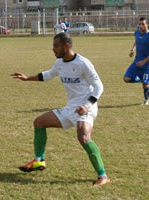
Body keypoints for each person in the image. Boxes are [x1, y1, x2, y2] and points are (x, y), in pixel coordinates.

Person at [11, 32, 111, 186]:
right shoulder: (59, 63)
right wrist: (27, 78)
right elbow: (48, 75)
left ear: (67, 46)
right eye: (53, 46)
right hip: (71, 107)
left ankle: (103, 176)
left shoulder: (83, 63)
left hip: (87, 106)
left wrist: (86, 105)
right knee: (39, 122)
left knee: (83, 137)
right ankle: (39, 160)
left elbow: (99, 87)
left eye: (56, 46)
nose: (53, 49)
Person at [124, 17, 149, 105]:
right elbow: (136, 41)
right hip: (137, 62)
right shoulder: (137, 33)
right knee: (126, 79)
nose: (141, 26)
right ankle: (139, 79)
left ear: (147, 25)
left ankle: (146, 100)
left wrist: (144, 61)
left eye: (143, 24)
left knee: (145, 85)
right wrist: (132, 50)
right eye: (139, 24)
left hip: (147, 65)